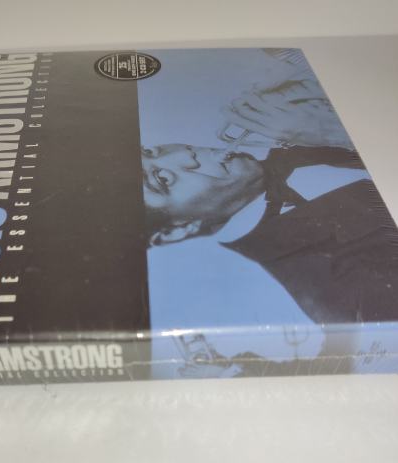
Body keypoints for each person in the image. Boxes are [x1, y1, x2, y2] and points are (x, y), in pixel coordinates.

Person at [142, 84, 398, 324]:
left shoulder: (297, 135)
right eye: (162, 179)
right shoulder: (323, 286)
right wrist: (338, 133)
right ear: (176, 230)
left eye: (151, 151)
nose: (185, 153)